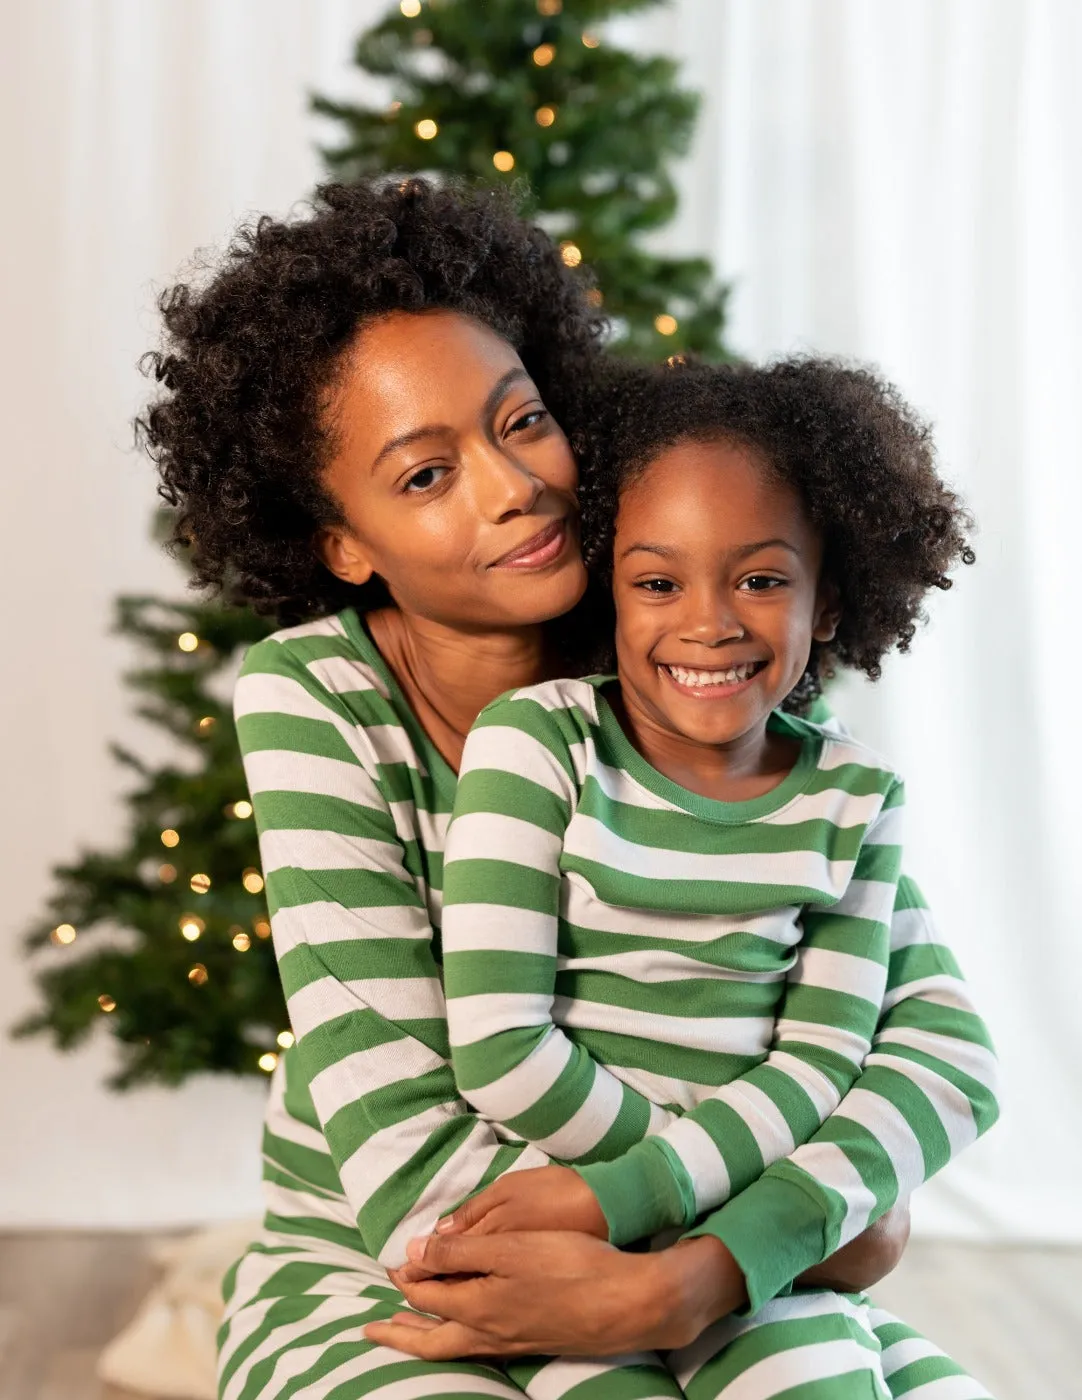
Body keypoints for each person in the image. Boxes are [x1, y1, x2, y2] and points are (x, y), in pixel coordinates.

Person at [138, 178, 1000, 1400]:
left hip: (726, 1261)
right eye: (424, 475)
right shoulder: (315, 697)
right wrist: (752, 1223)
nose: (509, 485)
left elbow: (929, 1037)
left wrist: (696, 1277)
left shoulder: (689, 646)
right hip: (407, 1262)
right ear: (343, 540)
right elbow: (405, 1155)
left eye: (519, 420)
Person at [435, 358, 982, 1398]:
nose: (708, 620)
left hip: (738, 1248)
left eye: (761, 578)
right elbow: (501, 1047)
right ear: (609, 583)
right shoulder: (535, 746)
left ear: (829, 600)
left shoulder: (855, 798)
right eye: (656, 580)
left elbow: (823, 1054)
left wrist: (683, 1212)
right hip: (568, 1214)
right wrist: (641, 1198)